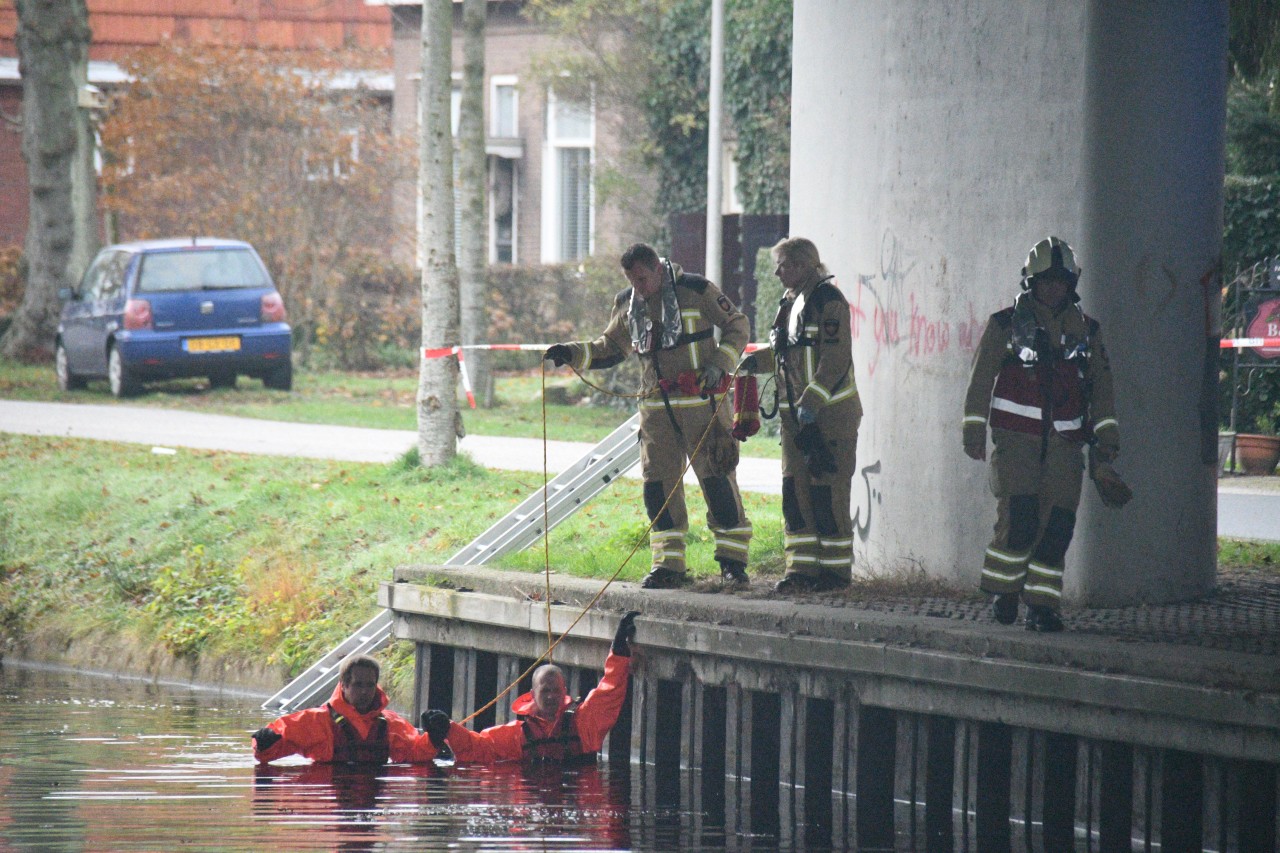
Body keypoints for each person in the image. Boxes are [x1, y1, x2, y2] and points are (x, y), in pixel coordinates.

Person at [544, 243, 752, 589]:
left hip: (702, 407)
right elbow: (611, 348)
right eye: (631, 280)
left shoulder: (696, 290)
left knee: (718, 483)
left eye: (641, 279)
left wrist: (721, 364)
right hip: (656, 413)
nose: (637, 287)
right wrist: (571, 353)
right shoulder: (627, 302)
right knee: (658, 488)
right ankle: (668, 566)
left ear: (657, 268)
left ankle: (733, 564)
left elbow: (737, 324)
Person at [962, 236, 1128, 633]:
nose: (1053, 288)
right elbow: (980, 379)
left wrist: (1107, 445)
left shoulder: (1087, 332)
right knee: (1018, 521)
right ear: (1030, 282)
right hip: (1016, 441)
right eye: (1045, 280)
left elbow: (1102, 390)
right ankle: (1005, 592)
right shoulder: (1005, 325)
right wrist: (973, 429)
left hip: (1066, 447)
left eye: (1060, 281)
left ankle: (1042, 606)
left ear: (1071, 284)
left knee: (1057, 526)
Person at [739, 237, 861, 593]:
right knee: (796, 493)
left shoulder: (828, 301)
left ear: (804, 264)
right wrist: (756, 361)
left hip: (830, 418)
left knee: (828, 492)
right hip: (795, 421)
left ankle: (835, 573)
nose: (777, 273)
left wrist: (813, 400)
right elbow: (787, 351)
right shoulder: (789, 302)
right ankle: (801, 570)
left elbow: (835, 357)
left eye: (783, 266)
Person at [420, 611, 638, 764]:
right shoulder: (516, 735)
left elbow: (610, 691)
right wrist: (448, 728)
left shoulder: (584, 723)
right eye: (545, 691)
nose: (551, 696)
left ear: (565, 692)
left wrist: (619, 649)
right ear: (533, 694)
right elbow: (477, 747)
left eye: (556, 690)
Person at [252, 653, 441, 764]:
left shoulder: (390, 723)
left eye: (370, 685)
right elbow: (273, 747)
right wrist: (263, 744)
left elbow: (416, 753)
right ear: (343, 685)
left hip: (375, 802)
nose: (365, 692)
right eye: (358, 685)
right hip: (335, 799)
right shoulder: (318, 721)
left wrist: (433, 737)